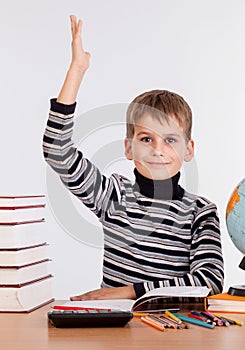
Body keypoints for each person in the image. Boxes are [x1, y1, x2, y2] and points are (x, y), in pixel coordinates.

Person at [42, 15, 224, 301]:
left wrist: (129, 293)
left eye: (170, 140)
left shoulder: (200, 213)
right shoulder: (113, 196)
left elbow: (208, 281)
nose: (158, 150)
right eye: (146, 138)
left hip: (177, 334)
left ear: (188, 150)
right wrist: (76, 70)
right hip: (117, 333)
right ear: (129, 148)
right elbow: (57, 151)